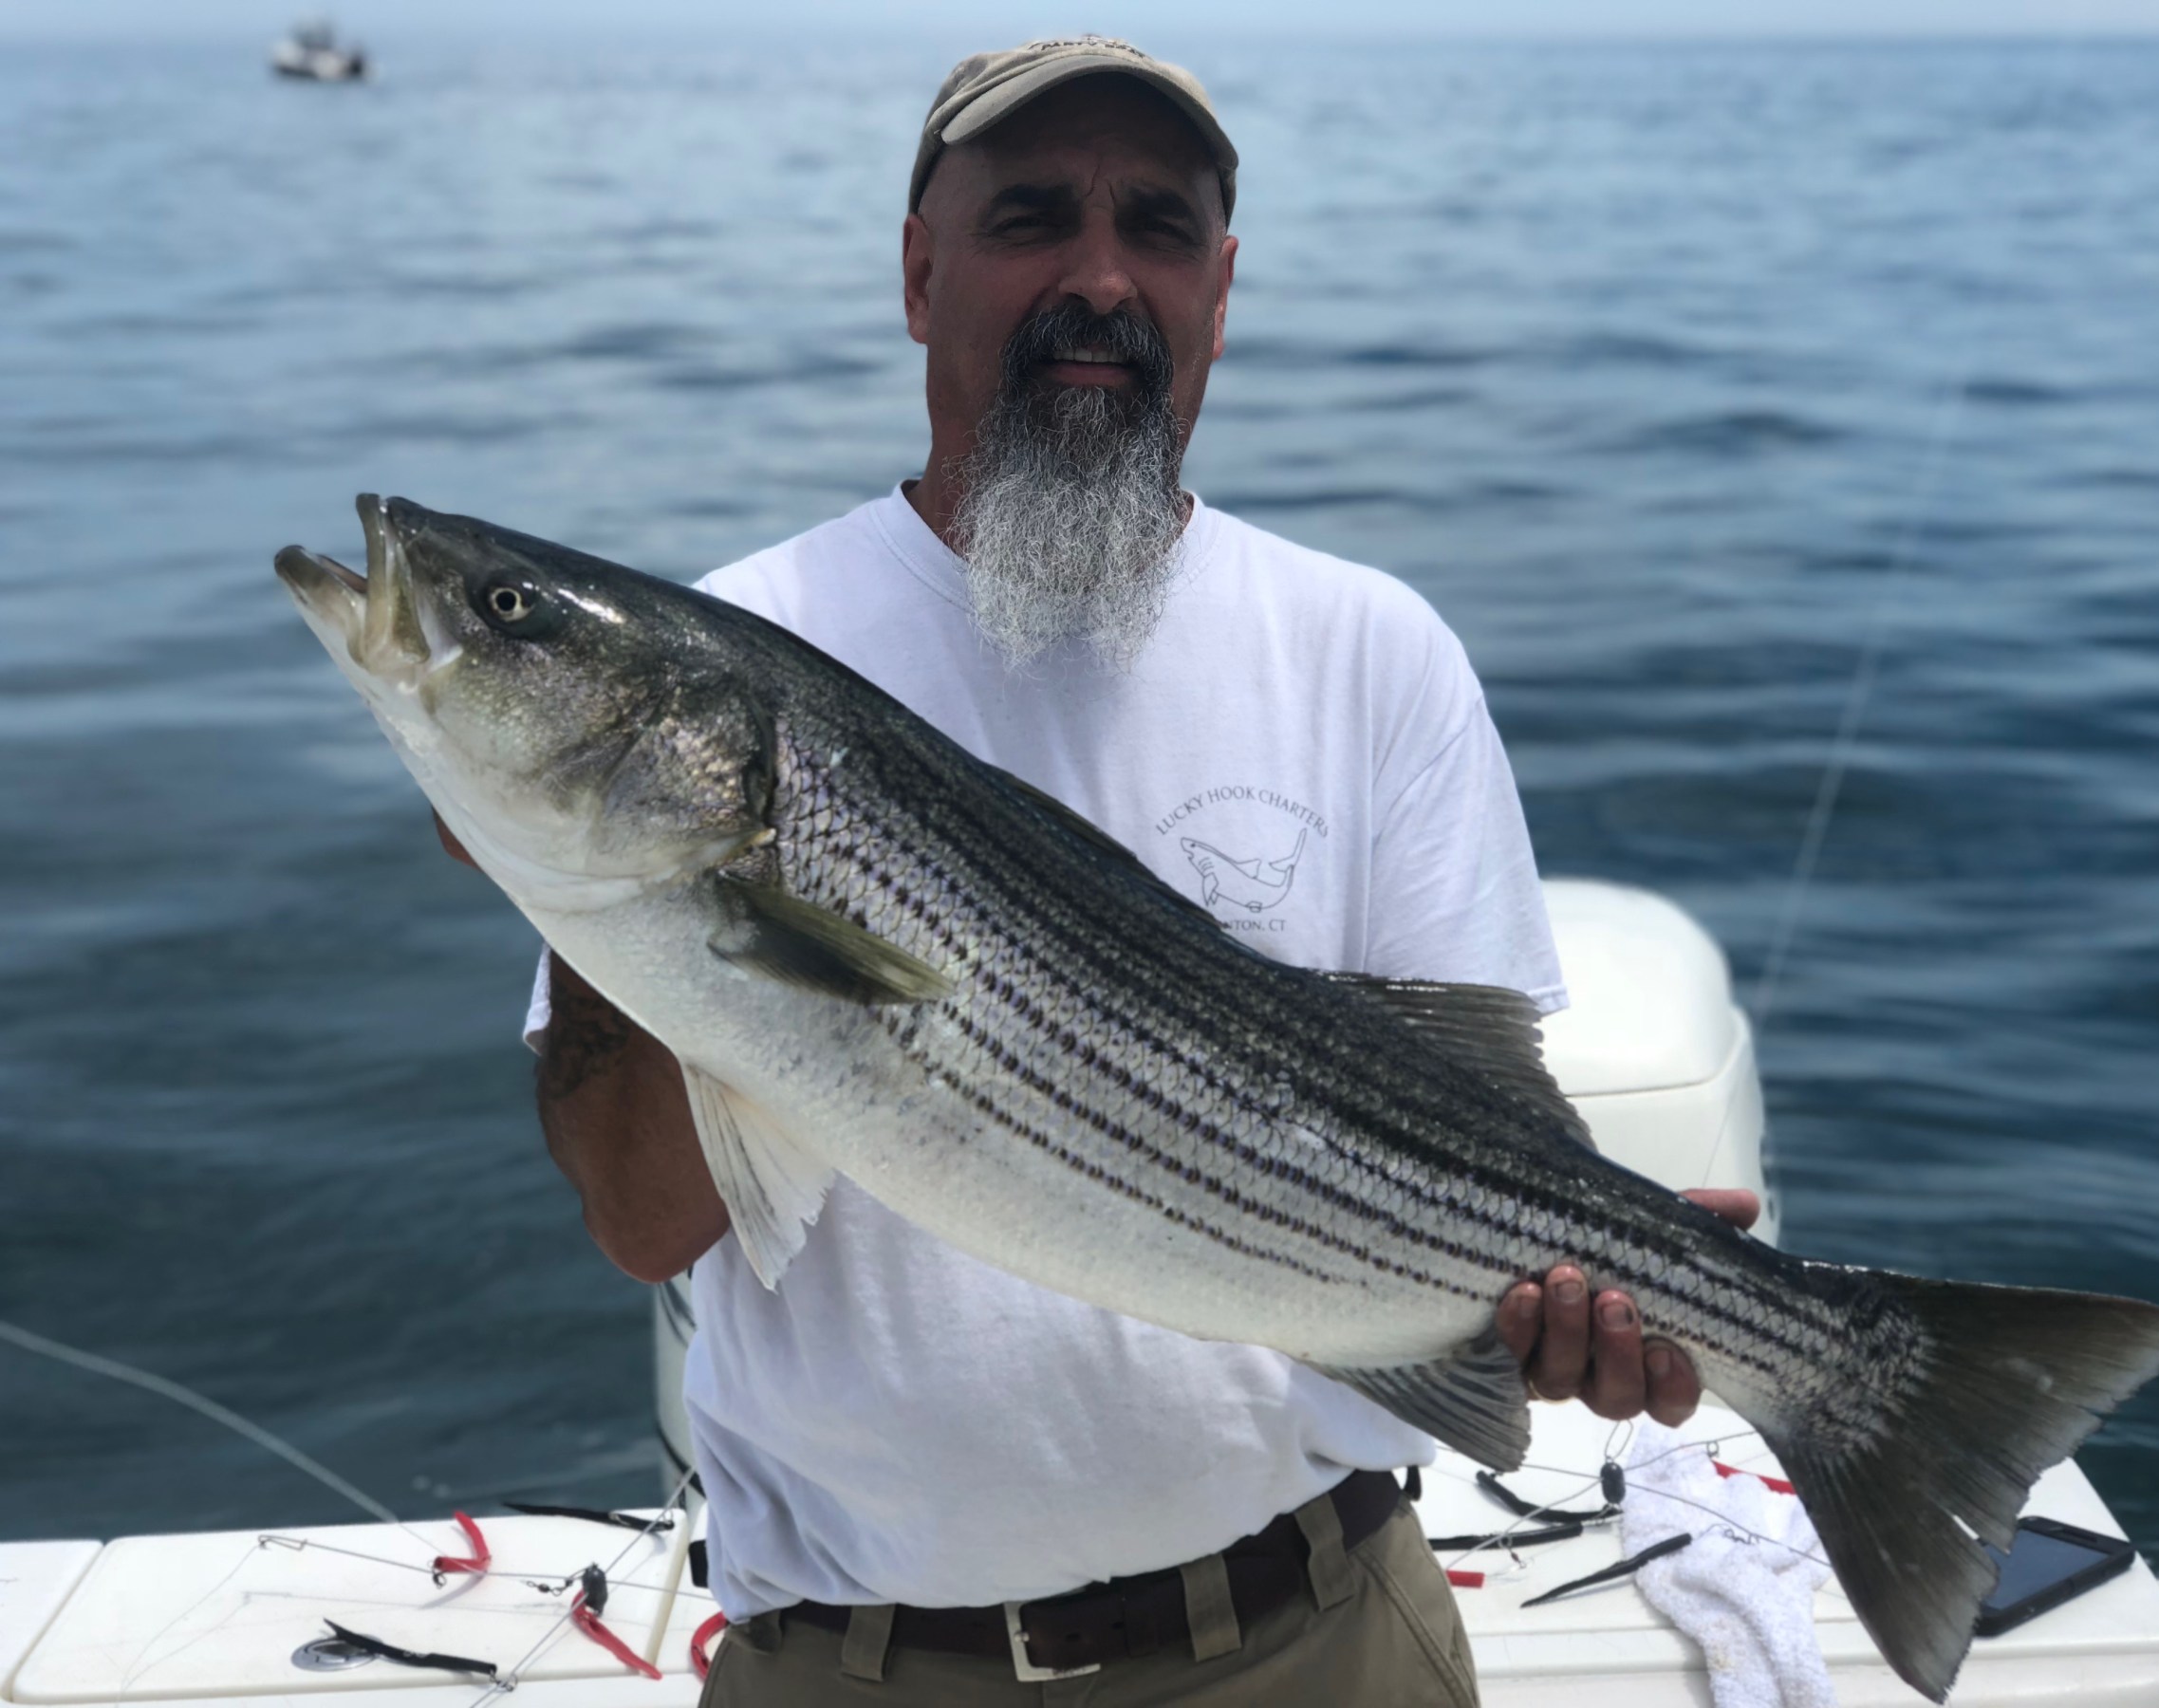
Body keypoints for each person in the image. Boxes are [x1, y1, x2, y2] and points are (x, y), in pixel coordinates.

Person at [449, 36, 1759, 1706]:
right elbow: (648, 1222)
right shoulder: (751, 644)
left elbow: (1472, 1119)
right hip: (862, 1665)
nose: (1099, 277)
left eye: (1156, 225)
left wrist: (1593, 1287)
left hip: (1325, 1629)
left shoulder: (1372, 653)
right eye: (1029, 219)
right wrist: (608, 883)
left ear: (1221, 291)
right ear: (919, 274)